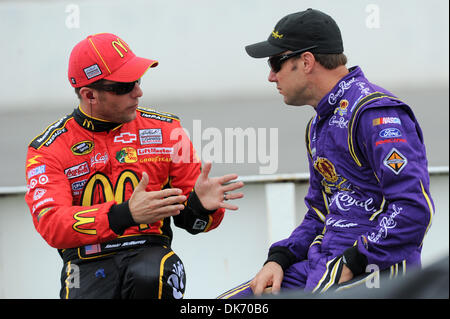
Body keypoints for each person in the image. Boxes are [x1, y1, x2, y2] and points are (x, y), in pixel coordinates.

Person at [218, 8, 434, 298]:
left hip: (377, 273)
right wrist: (279, 258)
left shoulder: (377, 114)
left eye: (275, 62)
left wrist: (354, 259)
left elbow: (413, 210)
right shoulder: (319, 126)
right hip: (323, 263)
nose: (271, 76)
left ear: (306, 61)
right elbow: (320, 212)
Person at [24, 32, 244, 299]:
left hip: (149, 254)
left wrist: (201, 206)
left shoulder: (166, 130)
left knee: (151, 275)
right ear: (89, 94)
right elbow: (52, 225)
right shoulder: (47, 148)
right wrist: (123, 214)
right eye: (124, 86)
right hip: (84, 264)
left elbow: (195, 223)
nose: (138, 92)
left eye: (137, 81)